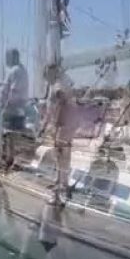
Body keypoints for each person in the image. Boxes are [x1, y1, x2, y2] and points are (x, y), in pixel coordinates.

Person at [42, 63, 76, 194]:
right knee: (61, 154)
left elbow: (61, 102)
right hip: (65, 123)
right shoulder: (60, 82)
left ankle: (62, 184)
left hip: (62, 124)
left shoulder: (57, 85)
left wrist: (55, 121)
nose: (45, 77)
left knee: (62, 154)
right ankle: (60, 181)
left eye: (47, 74)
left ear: (52, 73)